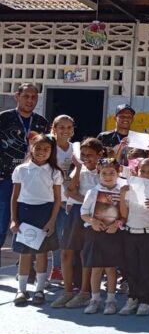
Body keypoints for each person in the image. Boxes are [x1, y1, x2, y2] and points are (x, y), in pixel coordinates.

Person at [10, 134, 63, 306]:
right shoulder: (21, 170)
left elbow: (57, 199)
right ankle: (22, 290)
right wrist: (14, 219)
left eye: (46, 149)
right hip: (25, 213)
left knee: (42, 254)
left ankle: (40, 289)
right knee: (25, 254)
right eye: (38, 148)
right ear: (31, 148)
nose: (41, 152)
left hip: (45, 213)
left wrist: (52, 221)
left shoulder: (55, 172)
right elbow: (14, 197)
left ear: (51, 151)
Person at [53, 137, 104, 308]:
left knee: (85, 254)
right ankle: (67, 292)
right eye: (82, 155)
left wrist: (91, 205)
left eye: (90, 155)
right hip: (75, 213)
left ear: (100, 155)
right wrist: (79, 167)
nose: (86, 158)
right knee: (66, 253)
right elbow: (70, 192)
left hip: (93, 216)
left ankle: (84, 292)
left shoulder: (105, 171)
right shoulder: (78, 170)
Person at [0, 83, 49, 253]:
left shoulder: (41, 123)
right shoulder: (3, 119)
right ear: (17, 96)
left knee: (29, 225)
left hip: (31, 182)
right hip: (5, 180)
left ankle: (26, 269)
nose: (30, 100)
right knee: (2, 224)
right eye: (26, 96)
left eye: (33, 97)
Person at [118, 158, 149, 316]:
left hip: (148, 234)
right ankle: (132, 298)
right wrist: (123, 196)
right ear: (137, 172)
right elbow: (124, 214)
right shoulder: (130, 189)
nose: (145, 174)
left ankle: (146, 300)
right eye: (142, 171)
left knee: (146, 269)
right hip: (131, 233)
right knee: (131, 268)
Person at [81, 157, 125, 315]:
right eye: (104, 173)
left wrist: (117, 225)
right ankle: (95, 299)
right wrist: (92, 221)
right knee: (96, 268)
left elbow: (125, 214)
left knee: (111, 268)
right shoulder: (92, 192)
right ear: (98, 174)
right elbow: (83, 213)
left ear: (118, 173)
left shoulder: (122, 191)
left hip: (113, 234)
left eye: (111, 173)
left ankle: (111, 301)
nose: (108, 176)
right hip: (95, 233)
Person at [49, 115, 76, 284]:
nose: (65, 131)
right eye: (61, 127)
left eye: (68, 128)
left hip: (67, 198)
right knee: (49, 235)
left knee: (64, 235)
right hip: (48, 197)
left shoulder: (75, 148)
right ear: (54, 128)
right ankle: (46, 270)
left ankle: (60, 269)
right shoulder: (48, 146)